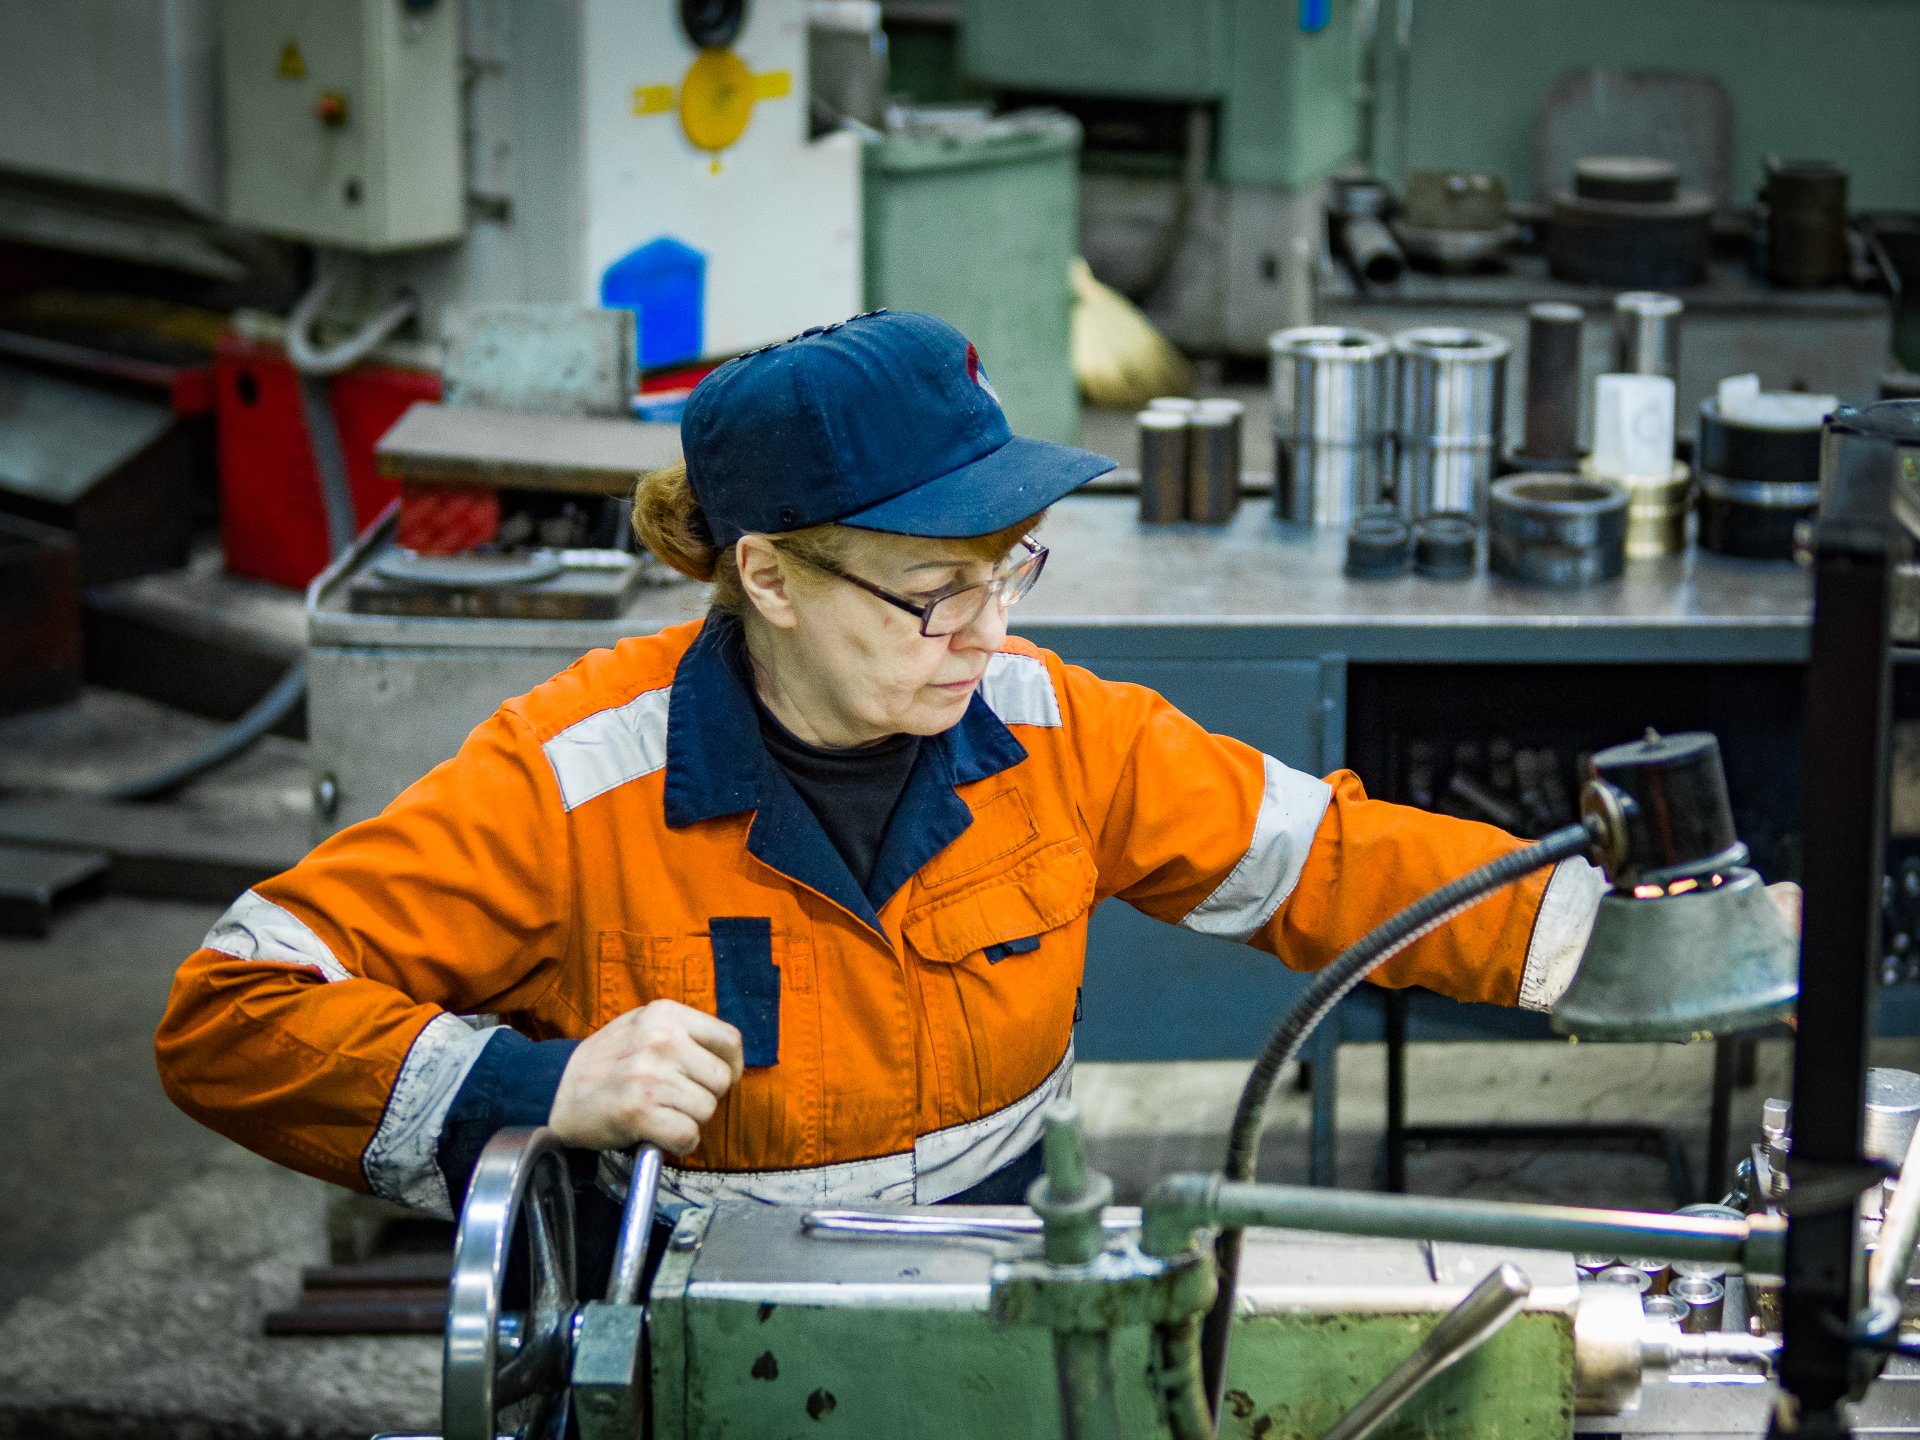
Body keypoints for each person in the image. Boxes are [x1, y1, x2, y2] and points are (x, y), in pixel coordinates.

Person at [154, 309, 1609, 1237]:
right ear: (770, 577)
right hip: (683, 1336)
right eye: (933, 592)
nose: (990, 632)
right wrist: (539, 1082)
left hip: (1000, 1288)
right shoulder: (573, 784)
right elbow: (231, 1014)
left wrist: (1620, 938)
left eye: (1007, 570)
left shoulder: (1054, 730)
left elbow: (1331, 863)